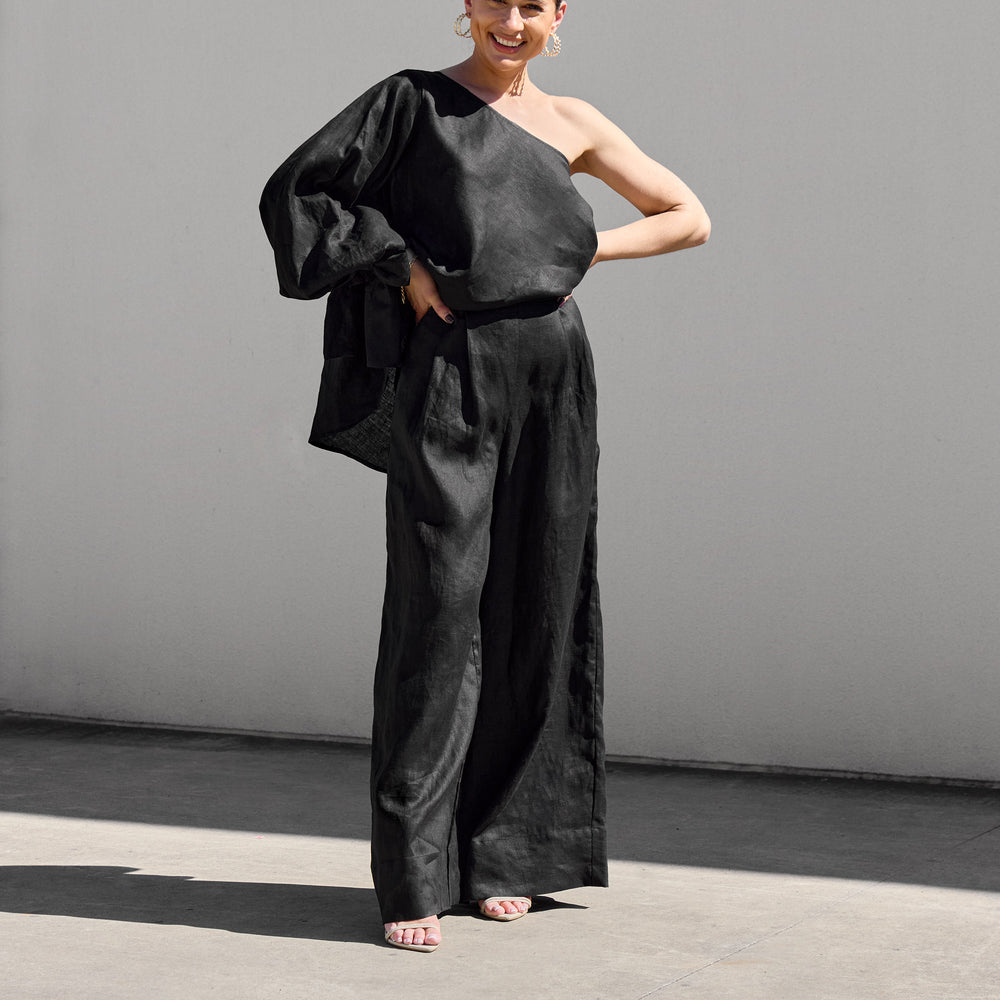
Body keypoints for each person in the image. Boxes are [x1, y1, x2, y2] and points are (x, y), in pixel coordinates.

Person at [260, 0, 709, 953]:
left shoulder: (578, 121)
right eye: (495, 1)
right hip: (450, 369)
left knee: (537, 600)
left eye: (532, 6)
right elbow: (297, 192)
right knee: (439, 605)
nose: (511, 20)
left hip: (553, 369)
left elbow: (688, 217)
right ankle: (416, 875)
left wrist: (580, 254)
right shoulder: (409, 104)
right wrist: (399, 264)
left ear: (559, 18)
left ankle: (509, 856)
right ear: (464, 9)